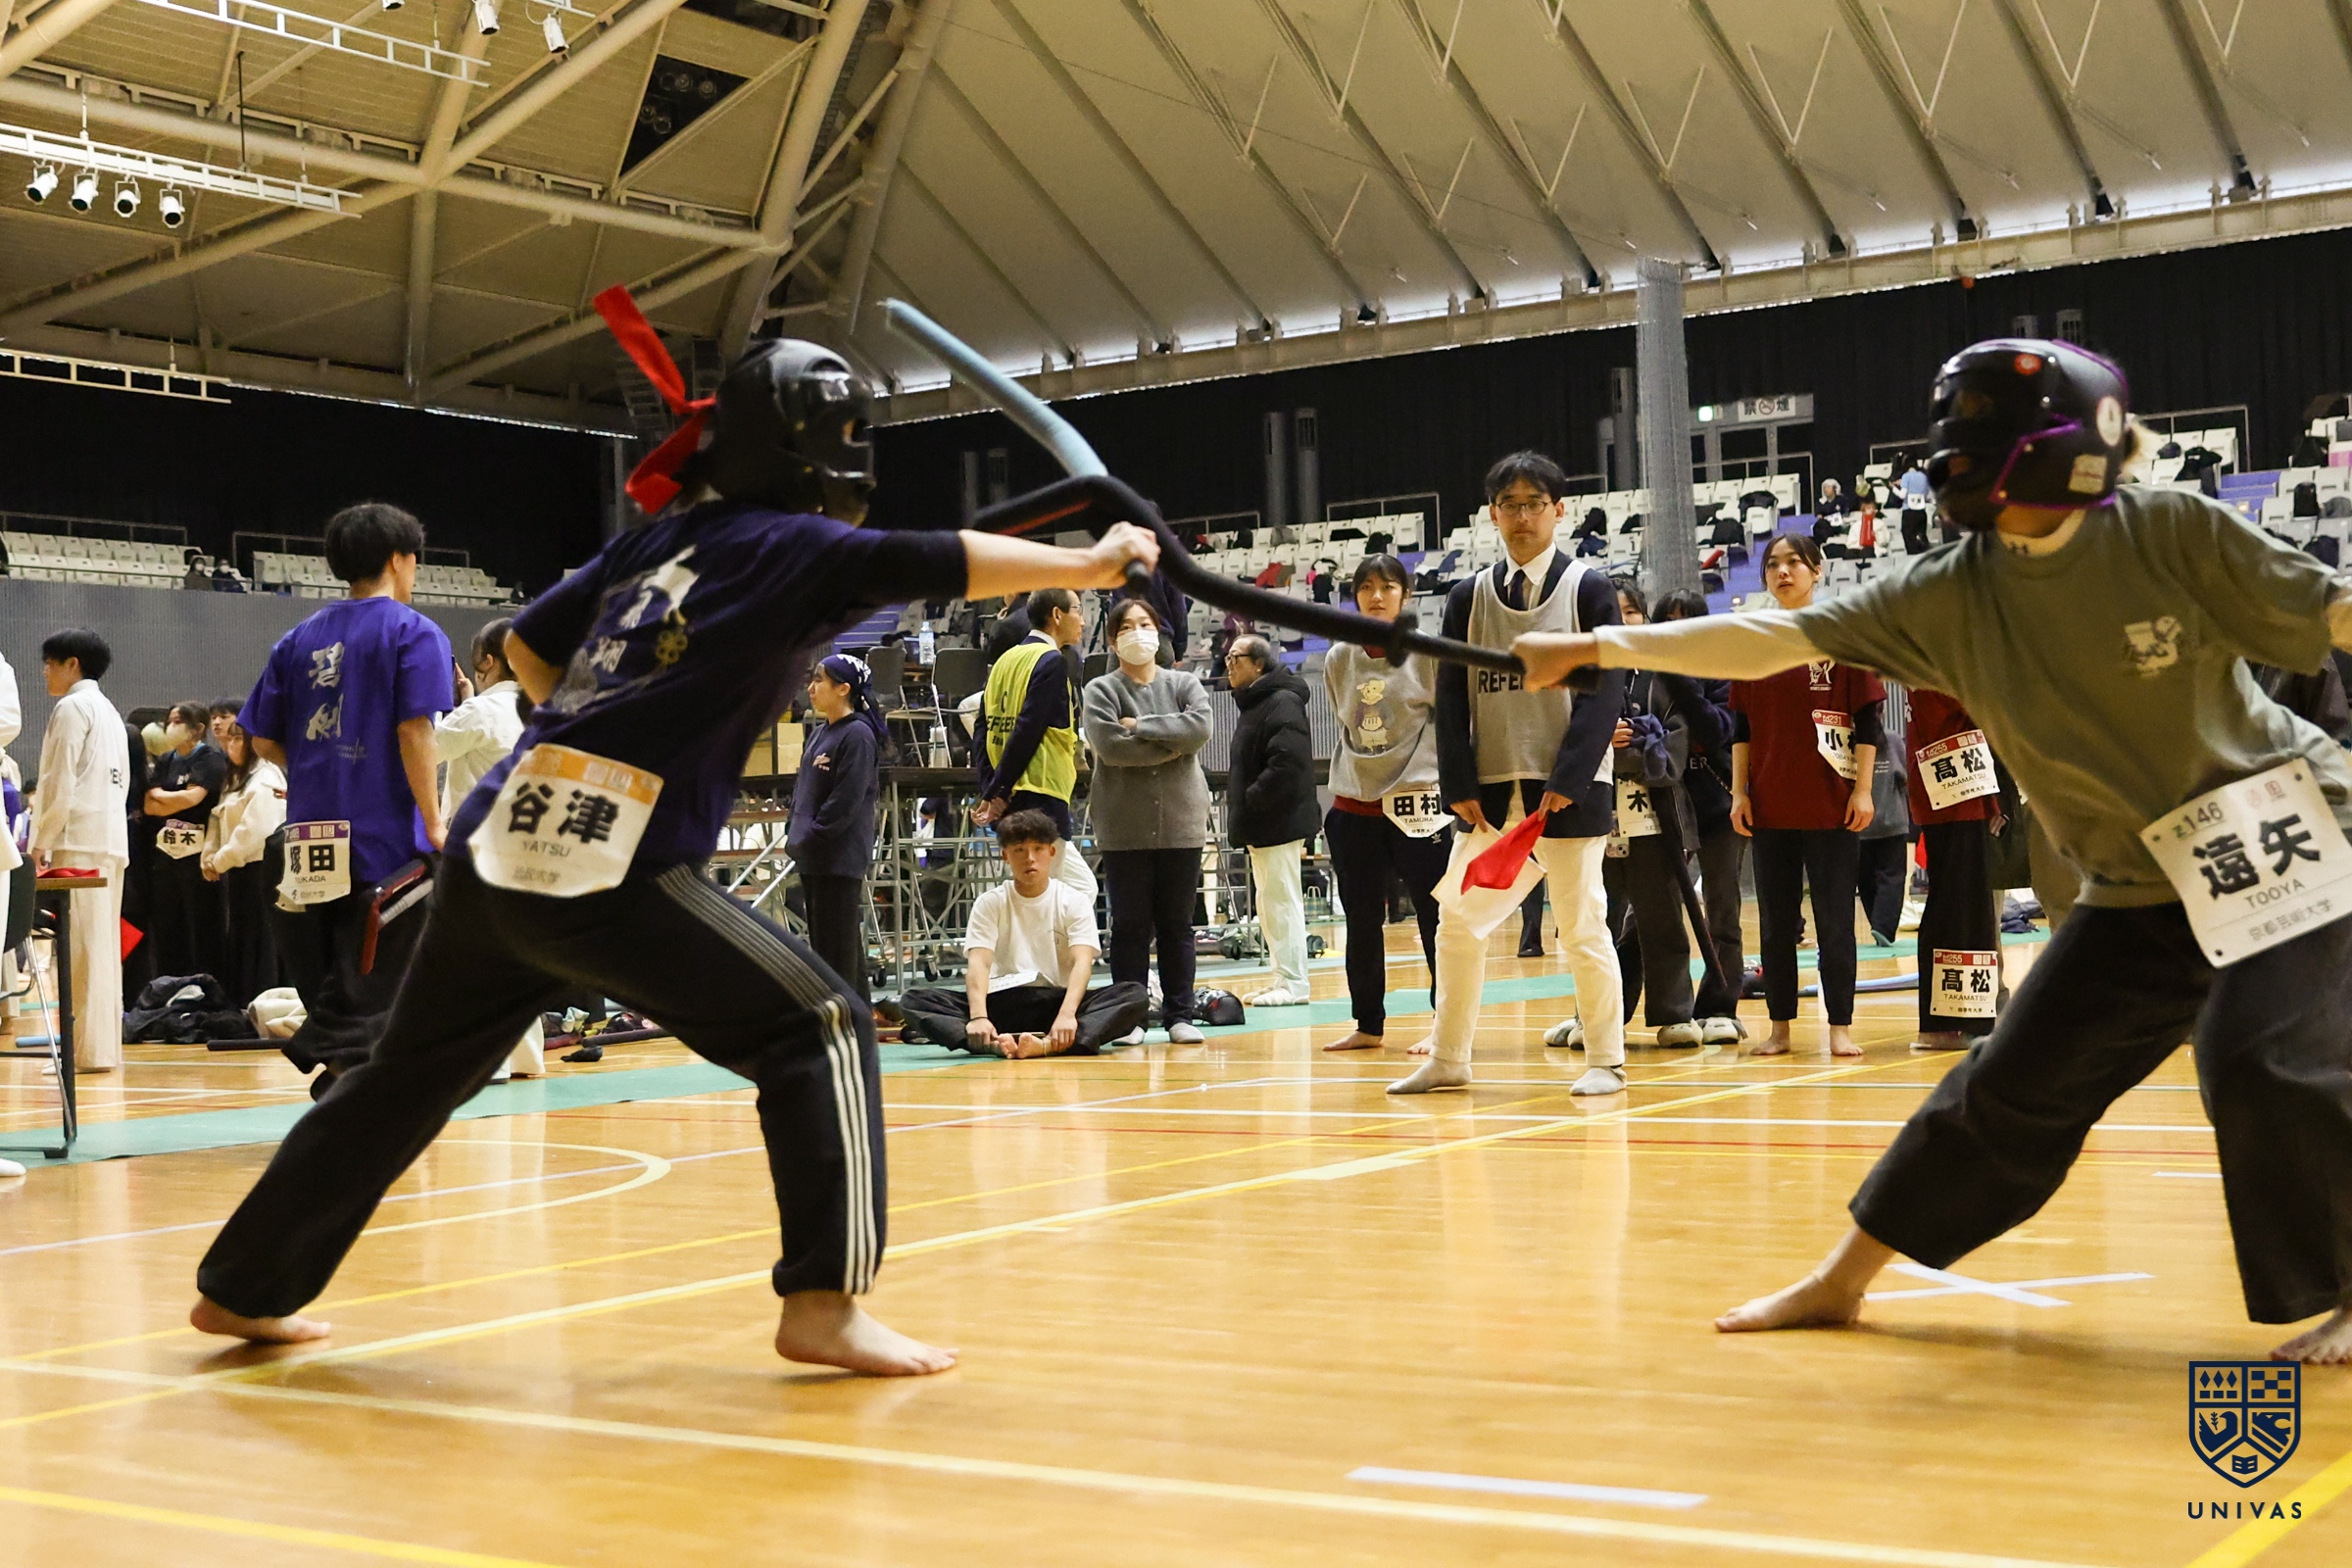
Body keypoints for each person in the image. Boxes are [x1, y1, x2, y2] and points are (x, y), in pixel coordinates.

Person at [189, 320, 1161, 1376]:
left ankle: (242, 1285)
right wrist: (1092, 561)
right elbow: (943, 557)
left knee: (399, 1082)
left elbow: (528, 647)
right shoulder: (798, 548)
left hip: (498, 845)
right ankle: (825, 1303)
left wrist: (606, 721)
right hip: (610, 860)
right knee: (824, 1025)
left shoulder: (655, 544)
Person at [1512, 336, 2352, 1362]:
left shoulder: (2169, 530)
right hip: (2137, 881)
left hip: (2273, 829)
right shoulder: (1947, 590)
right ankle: (1841, 1281)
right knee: (2008, 1083)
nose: (1957, 461)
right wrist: (1599, 646)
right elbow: (1778, 640)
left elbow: (2332, 611)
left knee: (2258, 1057)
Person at [1393, 451, 1626, 1098]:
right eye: (1510, 505)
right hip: (1493, 793)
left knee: (1581, 926)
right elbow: (1450, 697)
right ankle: (1448, 1057)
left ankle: (1606, 1059)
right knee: (1458, 924)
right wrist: (1459, 785)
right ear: (1492, 514)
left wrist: (1570, 778)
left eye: (1534, 504)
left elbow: (1606, 691)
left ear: (1559, 511)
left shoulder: (1589, 588)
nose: (1522, 516)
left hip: (1567, 790)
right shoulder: (1467, 596)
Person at [240, 502, 454, 1090]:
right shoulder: (414, 632)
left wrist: (316, 768)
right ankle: (347, 1080)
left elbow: (262, 739)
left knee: (331, 964)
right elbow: (414, 730)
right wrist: (436, 822)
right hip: (384, 837)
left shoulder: (296, 639)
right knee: (380, 972)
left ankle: (340, 1071)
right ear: (399, 559)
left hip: (309, 835)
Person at [1731, 532, 1883, 1057]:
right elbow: (1741, 728)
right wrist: (1739, 792)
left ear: (1817, 571)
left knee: (1835, 922)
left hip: (1832, 805)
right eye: (1773, 564)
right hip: (1769, 805)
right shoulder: (1754, 640)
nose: (1783, 571)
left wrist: (1863, 791)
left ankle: (1840, 1026)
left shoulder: (1841, 636)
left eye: (1794, 562)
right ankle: (1780, 1028)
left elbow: (1869, 722)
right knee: (1776, 925)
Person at [1321, 556, 1448, 1054]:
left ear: (1406, 596)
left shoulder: (1427, 652)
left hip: (1419, 802)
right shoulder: (1339, 657)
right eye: (1366, 587)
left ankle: (1446, 1024)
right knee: (1360, 921)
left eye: (1388, 587)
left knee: (1436, 919)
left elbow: (1449, 720)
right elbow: (1345, 718)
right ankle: (1368, 1023)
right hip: (1355, 804)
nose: (1377, 596)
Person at [897, 810, 1148, 1057]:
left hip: (1056, 1003)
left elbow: (1082, 961)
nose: (1030, 859)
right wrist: (979, 1017)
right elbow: (979, 963)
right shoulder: (990, 902)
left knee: (1133, 995)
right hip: (1000, 1003)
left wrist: (1067, 1015)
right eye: (1019, 850)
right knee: (913, 1000)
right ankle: (990, 1042)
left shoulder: (1073, 901)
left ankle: (1048, 1045)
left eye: (1038, 849)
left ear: (1052, 852)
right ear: (1005, 855)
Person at [1080, 597, 1212, 1045]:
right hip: (1123, 826)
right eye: (1126, 627)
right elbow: (1111, 748)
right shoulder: (1100, 690)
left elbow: (1199, 730)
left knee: (1178, 925)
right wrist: (1173, 741)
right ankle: (1130, 1018)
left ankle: (1180, 1014)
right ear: (1113, 641)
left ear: (1159, 633)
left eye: (1145, 624)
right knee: (1130, 927)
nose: (1137, 633)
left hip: (1182, 822)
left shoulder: (1185, 683)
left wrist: (1139, 726)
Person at [1594, 583, 1701, 1048]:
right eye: (1613, 611)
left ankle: (1674, 1013)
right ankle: (1594, 1016)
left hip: (1655, 816)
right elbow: (1563, 741)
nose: (1623, 620)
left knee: (1661, 918)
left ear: (1645, 619)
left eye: (1632, 611)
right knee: (1593, 920)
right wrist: (1603, 740)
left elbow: (1673, 744)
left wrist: (1631, 750)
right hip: (1596, 814)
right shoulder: (1583, 678)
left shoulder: (1665, 676)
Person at [433, 618, 542, 1079]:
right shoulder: (538, 711)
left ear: (488, 662)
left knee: (474, 954)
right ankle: (524, 1058)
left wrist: (446, 708)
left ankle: (487, 1062)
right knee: (518, 954)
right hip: (529, 843)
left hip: (478, 846)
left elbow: (424, 749)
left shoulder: (479, 711)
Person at [29, 629, 129, 1074]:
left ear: (73, 664)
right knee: (101, 948)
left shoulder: (72, 707)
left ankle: (85, 1053)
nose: (44, 672)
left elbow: (58, 779)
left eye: (50, 663)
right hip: (108, 838)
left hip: (79, 839)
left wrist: (41, 840)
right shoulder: (109, 711)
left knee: (82, 952)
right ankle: (101, 1050)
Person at [1652, 591, 1745, 1042]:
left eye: (1687, 619)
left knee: (1723, 911)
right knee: (1647, 912)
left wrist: (1681, 678)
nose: (1676, 626)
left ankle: (1719, 1007)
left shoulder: (1719, 671)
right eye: (1668, 619)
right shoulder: (1642, 677)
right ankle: (1636, 1010)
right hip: (1660, 809)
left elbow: (1719, 729)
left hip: (1716, 807)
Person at [974, 586, 1095, 901]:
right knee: (1042, 899)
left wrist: (991, 788)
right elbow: (1028, 730)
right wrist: (997, 792)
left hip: (1011, 793)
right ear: (1057, 615)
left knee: (1081, 888)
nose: (1083, 620)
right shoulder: (1051, 661)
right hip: (1041, 793)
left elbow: (982, 728)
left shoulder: (1005, 660)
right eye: (1077, 610)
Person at [1224, 634, 1317, 1008]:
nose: (1229, 665)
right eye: (1227, 658)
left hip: (1278, 821)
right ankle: (1281, 976)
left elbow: (1287, 764)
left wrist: (1250, 800)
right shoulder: (1258, 703)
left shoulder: (1282, 701)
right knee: (1269, 902)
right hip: (1264, 823)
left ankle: (1295, 983)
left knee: (1282, 902)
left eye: (1236, 658)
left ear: (1259, 663)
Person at [1906, 687, 2001, 1051]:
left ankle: (1970, 1019)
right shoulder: (1933, 670)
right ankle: (1944, 1024)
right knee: (1955, 908)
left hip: (1965, 791)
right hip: (1949, 794)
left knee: (1971, 909)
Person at [789, 653, 885, 1005]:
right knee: (830, 944)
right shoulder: (819, 733)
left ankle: (845, 1016)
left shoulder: (858, 734)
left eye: (819, 681)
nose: (811, 688)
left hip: (838, 855)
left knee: (836, 948)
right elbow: (804, 792)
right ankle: (858, 1011)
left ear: (843, 688)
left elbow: (846, 800)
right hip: (812, 854)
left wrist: (814, 835)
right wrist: (795, 831)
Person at [200, 710, 287, 1007]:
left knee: (260, 943)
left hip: (260, 871)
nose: (231, 745)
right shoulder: (235, 777)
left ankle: (260, 1005)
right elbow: (217, 818)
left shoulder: (266, 778)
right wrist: (208, 856)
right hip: (237, 871)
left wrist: (220, 861)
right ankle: (239, 1003)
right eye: (230, 739)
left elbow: (255, 831)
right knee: (239, 941)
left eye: (238, 739)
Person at [142, 700, 229, 983]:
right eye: (169, 721)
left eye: (178, 721)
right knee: (168, 923)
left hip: (198, 856)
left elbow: (194, 798)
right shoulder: (165, 760)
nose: (170, 726)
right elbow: (149, 806)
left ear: (198, 728)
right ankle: (169, 985)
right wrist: (173, 800)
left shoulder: (210, 759)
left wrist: (164, 798)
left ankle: (205, 985)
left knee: (201, 925)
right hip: (166, 855)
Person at [1855, 681, 1912, 947]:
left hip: (1860, 823)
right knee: (1892, 876)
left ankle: (1877, 924)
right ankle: (1883, 927)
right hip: (1892, 821)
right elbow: (1905, 776)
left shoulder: (1848, 741)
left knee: (1866, 879)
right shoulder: (1893, 740)